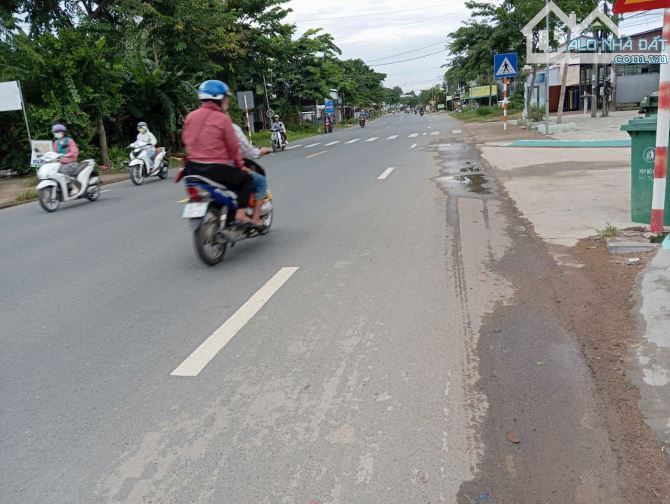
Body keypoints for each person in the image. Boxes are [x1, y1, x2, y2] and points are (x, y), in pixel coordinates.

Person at [182, 80, 255, 225]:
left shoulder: (190, 116)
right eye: (226, 97)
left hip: (192, 168)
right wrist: (240, 166)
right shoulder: (223, 119)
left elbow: (186, 140)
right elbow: (233, 147)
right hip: (216, 169)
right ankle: (241, 214)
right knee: (247, 180)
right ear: (218, 97)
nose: (227, 101)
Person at [232, 123, 271, 226]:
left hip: (201, 168)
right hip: (229, 166)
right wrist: (259, 152)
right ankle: (255, 218)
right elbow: (247, 151)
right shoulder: (230, 127)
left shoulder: (201, 125)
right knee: (259, 180)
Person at [52, 124, 81, 196]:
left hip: (71, 163)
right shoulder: (56, 143)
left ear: (62, 132)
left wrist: (65, 155)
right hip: (61, 164)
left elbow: (74, 152)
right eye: (55, 132)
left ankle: (74, 188)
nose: (56, 133)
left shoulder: (69, 141)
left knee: (63, 172)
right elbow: (54, 153)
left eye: (57, 131)